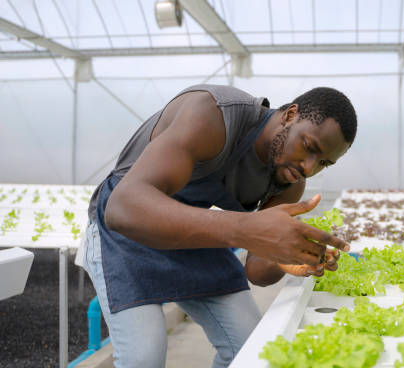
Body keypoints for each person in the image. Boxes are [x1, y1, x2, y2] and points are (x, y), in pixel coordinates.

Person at [80, 83, 358, 368]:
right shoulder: (213, 114)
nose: (309, 168)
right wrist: (247, 228)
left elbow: (256, 271)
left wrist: (289, 257)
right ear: (290, 115)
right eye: (309, 147)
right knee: (144, 357)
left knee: (252, 348)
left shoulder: (289, 182)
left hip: (189, 232)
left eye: (324, 162)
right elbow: (123, 208)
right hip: (125, 234)